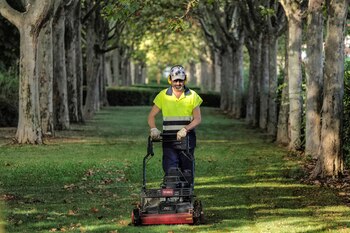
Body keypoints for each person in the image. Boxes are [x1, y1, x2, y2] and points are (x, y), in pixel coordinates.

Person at [147, 65, 202, 187]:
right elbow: (151, 116)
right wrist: (153, 128)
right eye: (175, 80)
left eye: (181, 80)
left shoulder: (192, 96)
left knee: (186, 168)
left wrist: (185, 129)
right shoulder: (163, 95)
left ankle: (186, 196)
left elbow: (198, 118)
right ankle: (171, 196)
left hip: (187, 138)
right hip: (169, 138)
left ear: (185, 80)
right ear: (170, 80)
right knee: (170, 168)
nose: (178, 83)